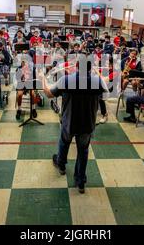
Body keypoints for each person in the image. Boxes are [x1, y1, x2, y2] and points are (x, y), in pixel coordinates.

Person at [40, 60, 106, 194]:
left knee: (64, 143)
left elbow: (48, 93)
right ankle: (80, 181)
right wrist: (95, 73)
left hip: (69, 121)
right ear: (90, 68)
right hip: (87, 123)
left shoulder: (66, 80)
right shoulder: (98, 82)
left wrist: (42, 79)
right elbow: (103, 92)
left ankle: (61, 165)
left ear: (76, 67)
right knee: (83, 150)